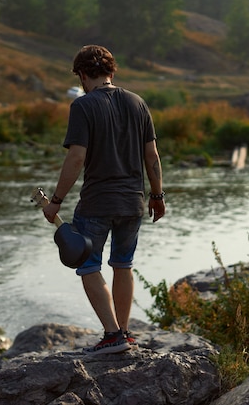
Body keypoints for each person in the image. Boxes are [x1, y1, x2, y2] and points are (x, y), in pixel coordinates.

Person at [43, 45, 165, 355]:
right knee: (123, 265)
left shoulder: (83, 106)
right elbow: (152, 155)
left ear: (83, 75)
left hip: (98, 202)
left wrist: (56, 200)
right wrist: (157, 195)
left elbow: (76, 157)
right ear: (112, 71)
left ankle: (112, 335)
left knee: (87, 265)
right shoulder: (138, 103)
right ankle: (123, 332)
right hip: (134, 203)